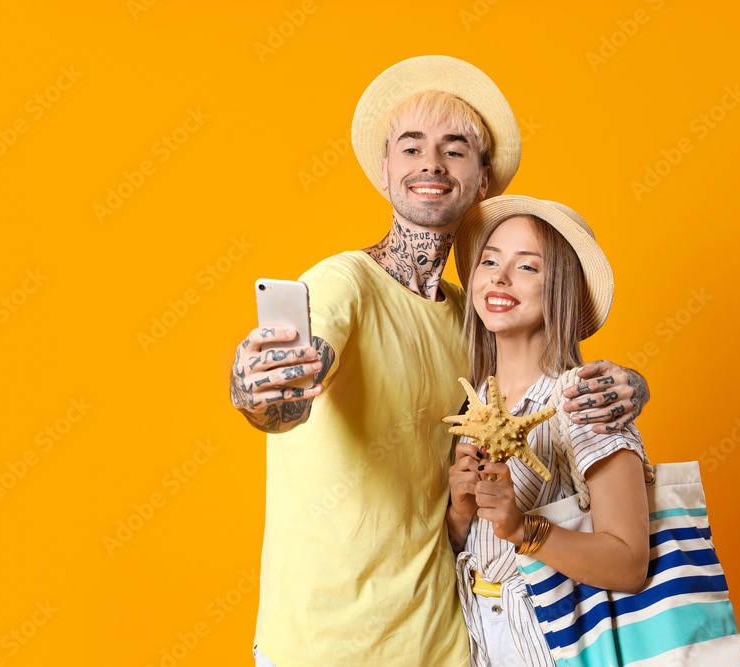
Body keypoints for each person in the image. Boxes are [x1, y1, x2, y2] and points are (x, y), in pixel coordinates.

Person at [229, 56, 650, 667]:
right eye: (411, 148)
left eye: (454, 150)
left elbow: (542, 379)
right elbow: (285, 394)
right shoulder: (342, 285)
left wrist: (632, 387)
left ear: (482, 180)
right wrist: (260, 389)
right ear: (385, 170)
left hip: (449, 642)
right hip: (324, 645)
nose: (430, 164)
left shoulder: (471, 320)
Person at [446, 194, 651, 667]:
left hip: (559, 645)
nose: (499, 277)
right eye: (490, 261)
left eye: (527, 267)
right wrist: (459, 515)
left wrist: (524, 528)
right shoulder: (471, 402)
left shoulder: (584, 400)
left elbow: (629, 563)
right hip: (479, 642)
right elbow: (476, 549)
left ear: (560, 288)